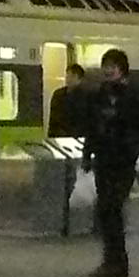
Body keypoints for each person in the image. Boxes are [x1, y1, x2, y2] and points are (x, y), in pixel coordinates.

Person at [86, 45, 139, 277]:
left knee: (113, 207)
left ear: (122, 69)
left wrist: (123, 126)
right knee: (104, 210)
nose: (107, 71)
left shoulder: (134, 95)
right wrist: (87, 153)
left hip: (124, 159)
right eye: (105, 67)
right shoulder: (100, 94)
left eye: (111, 67)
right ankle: (111, 260)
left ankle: (118, 262)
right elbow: (93, 125)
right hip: (104, 158)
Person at [43, 62, 98, 238]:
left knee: (81, 186)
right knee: (65, 186)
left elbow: (90, 121)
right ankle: (65, 223)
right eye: (67, 75)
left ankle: (83, 222)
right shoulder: (58, 95)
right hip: (62, 144)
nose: (67, 79)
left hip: (80, 145)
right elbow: (54, 120)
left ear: (79, 78)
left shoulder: (89, 96)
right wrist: (52, 140)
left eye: (71, 76)